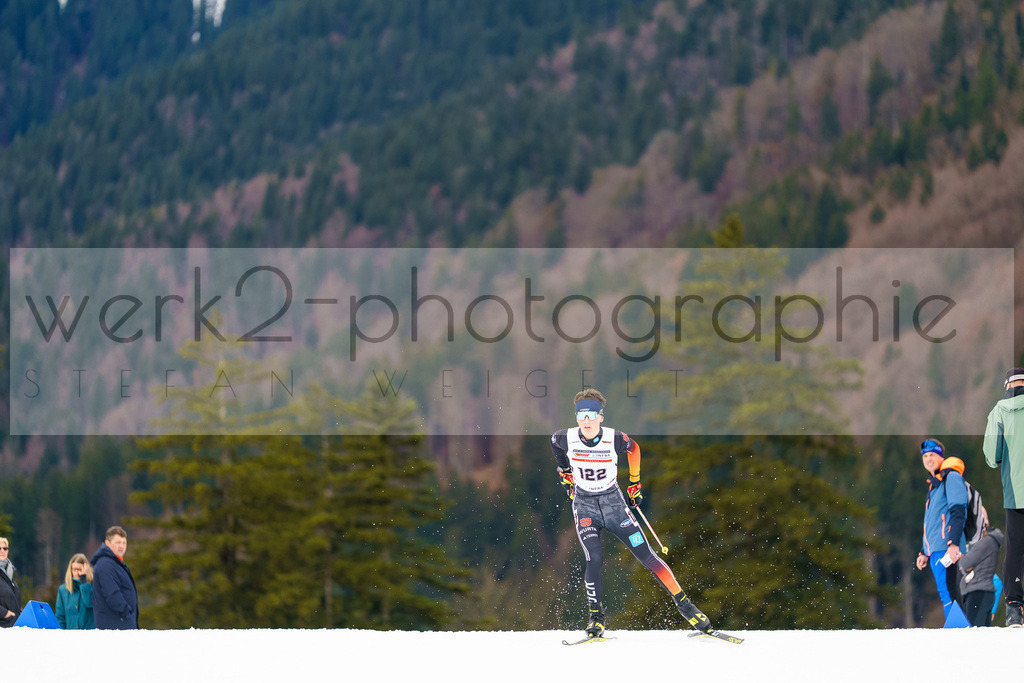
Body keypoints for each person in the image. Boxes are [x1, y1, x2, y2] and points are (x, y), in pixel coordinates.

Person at [550, 388, 712, 638]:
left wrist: (635, 482)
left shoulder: (614, 438)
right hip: (585, 506)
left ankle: (686, 607)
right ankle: (596, 618)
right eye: (582, 415)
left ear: (601, 416)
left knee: (647, 555)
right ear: (576, 417)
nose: (587, 420)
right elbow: (555, 445)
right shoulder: (565, 438)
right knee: (594, 557)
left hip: (614, 506)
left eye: (592, 414)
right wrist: (565, 473)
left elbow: (634, 449)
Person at [983, 367, 1024, 627]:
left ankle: (1014, 609)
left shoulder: (999, 412)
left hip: (1015, 493)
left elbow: (992, 456)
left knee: (1016, 549)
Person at [914, 439, 967, 619]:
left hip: (947, 548)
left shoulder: (951, 477)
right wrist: (924, 551)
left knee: (950, 592)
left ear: (941, 457)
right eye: (925, 456)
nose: (928, 459)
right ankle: (956, 629)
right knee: (946, 593)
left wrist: (953, 544)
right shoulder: (935, 484)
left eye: (932, 455)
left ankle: (958, 631)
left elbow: (958, 512)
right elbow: (932, 523)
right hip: (936, 549)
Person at [90, 526, 139, 629]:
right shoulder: (106, 565)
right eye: (118, 542)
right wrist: (126, 614)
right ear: (107, 543)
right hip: (115, 627)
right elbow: (112, 594)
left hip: (120, 624)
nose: (121, 546)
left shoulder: (115, 564)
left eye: (124, 543)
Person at [957, 526, 1004, 626]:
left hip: (977, 592)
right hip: (987, 593)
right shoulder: (992, 544)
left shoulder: (985, 543)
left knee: (975, 634)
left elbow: (964, 563)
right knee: (984, 635)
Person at [56, 553, 95, 629]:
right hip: (70, 637)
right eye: (74, 569)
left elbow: (89, 603)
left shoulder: (93, 586)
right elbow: (60, 617)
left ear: (86, 569)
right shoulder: (63, 590)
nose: (77, 573)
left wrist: (83, 581)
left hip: (89, 636)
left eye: (80, 569)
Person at [0, 537, 21, 627]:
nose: (2, 551)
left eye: (5, 548)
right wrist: (4, 613)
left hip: (13, 627)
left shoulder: (10, 575)